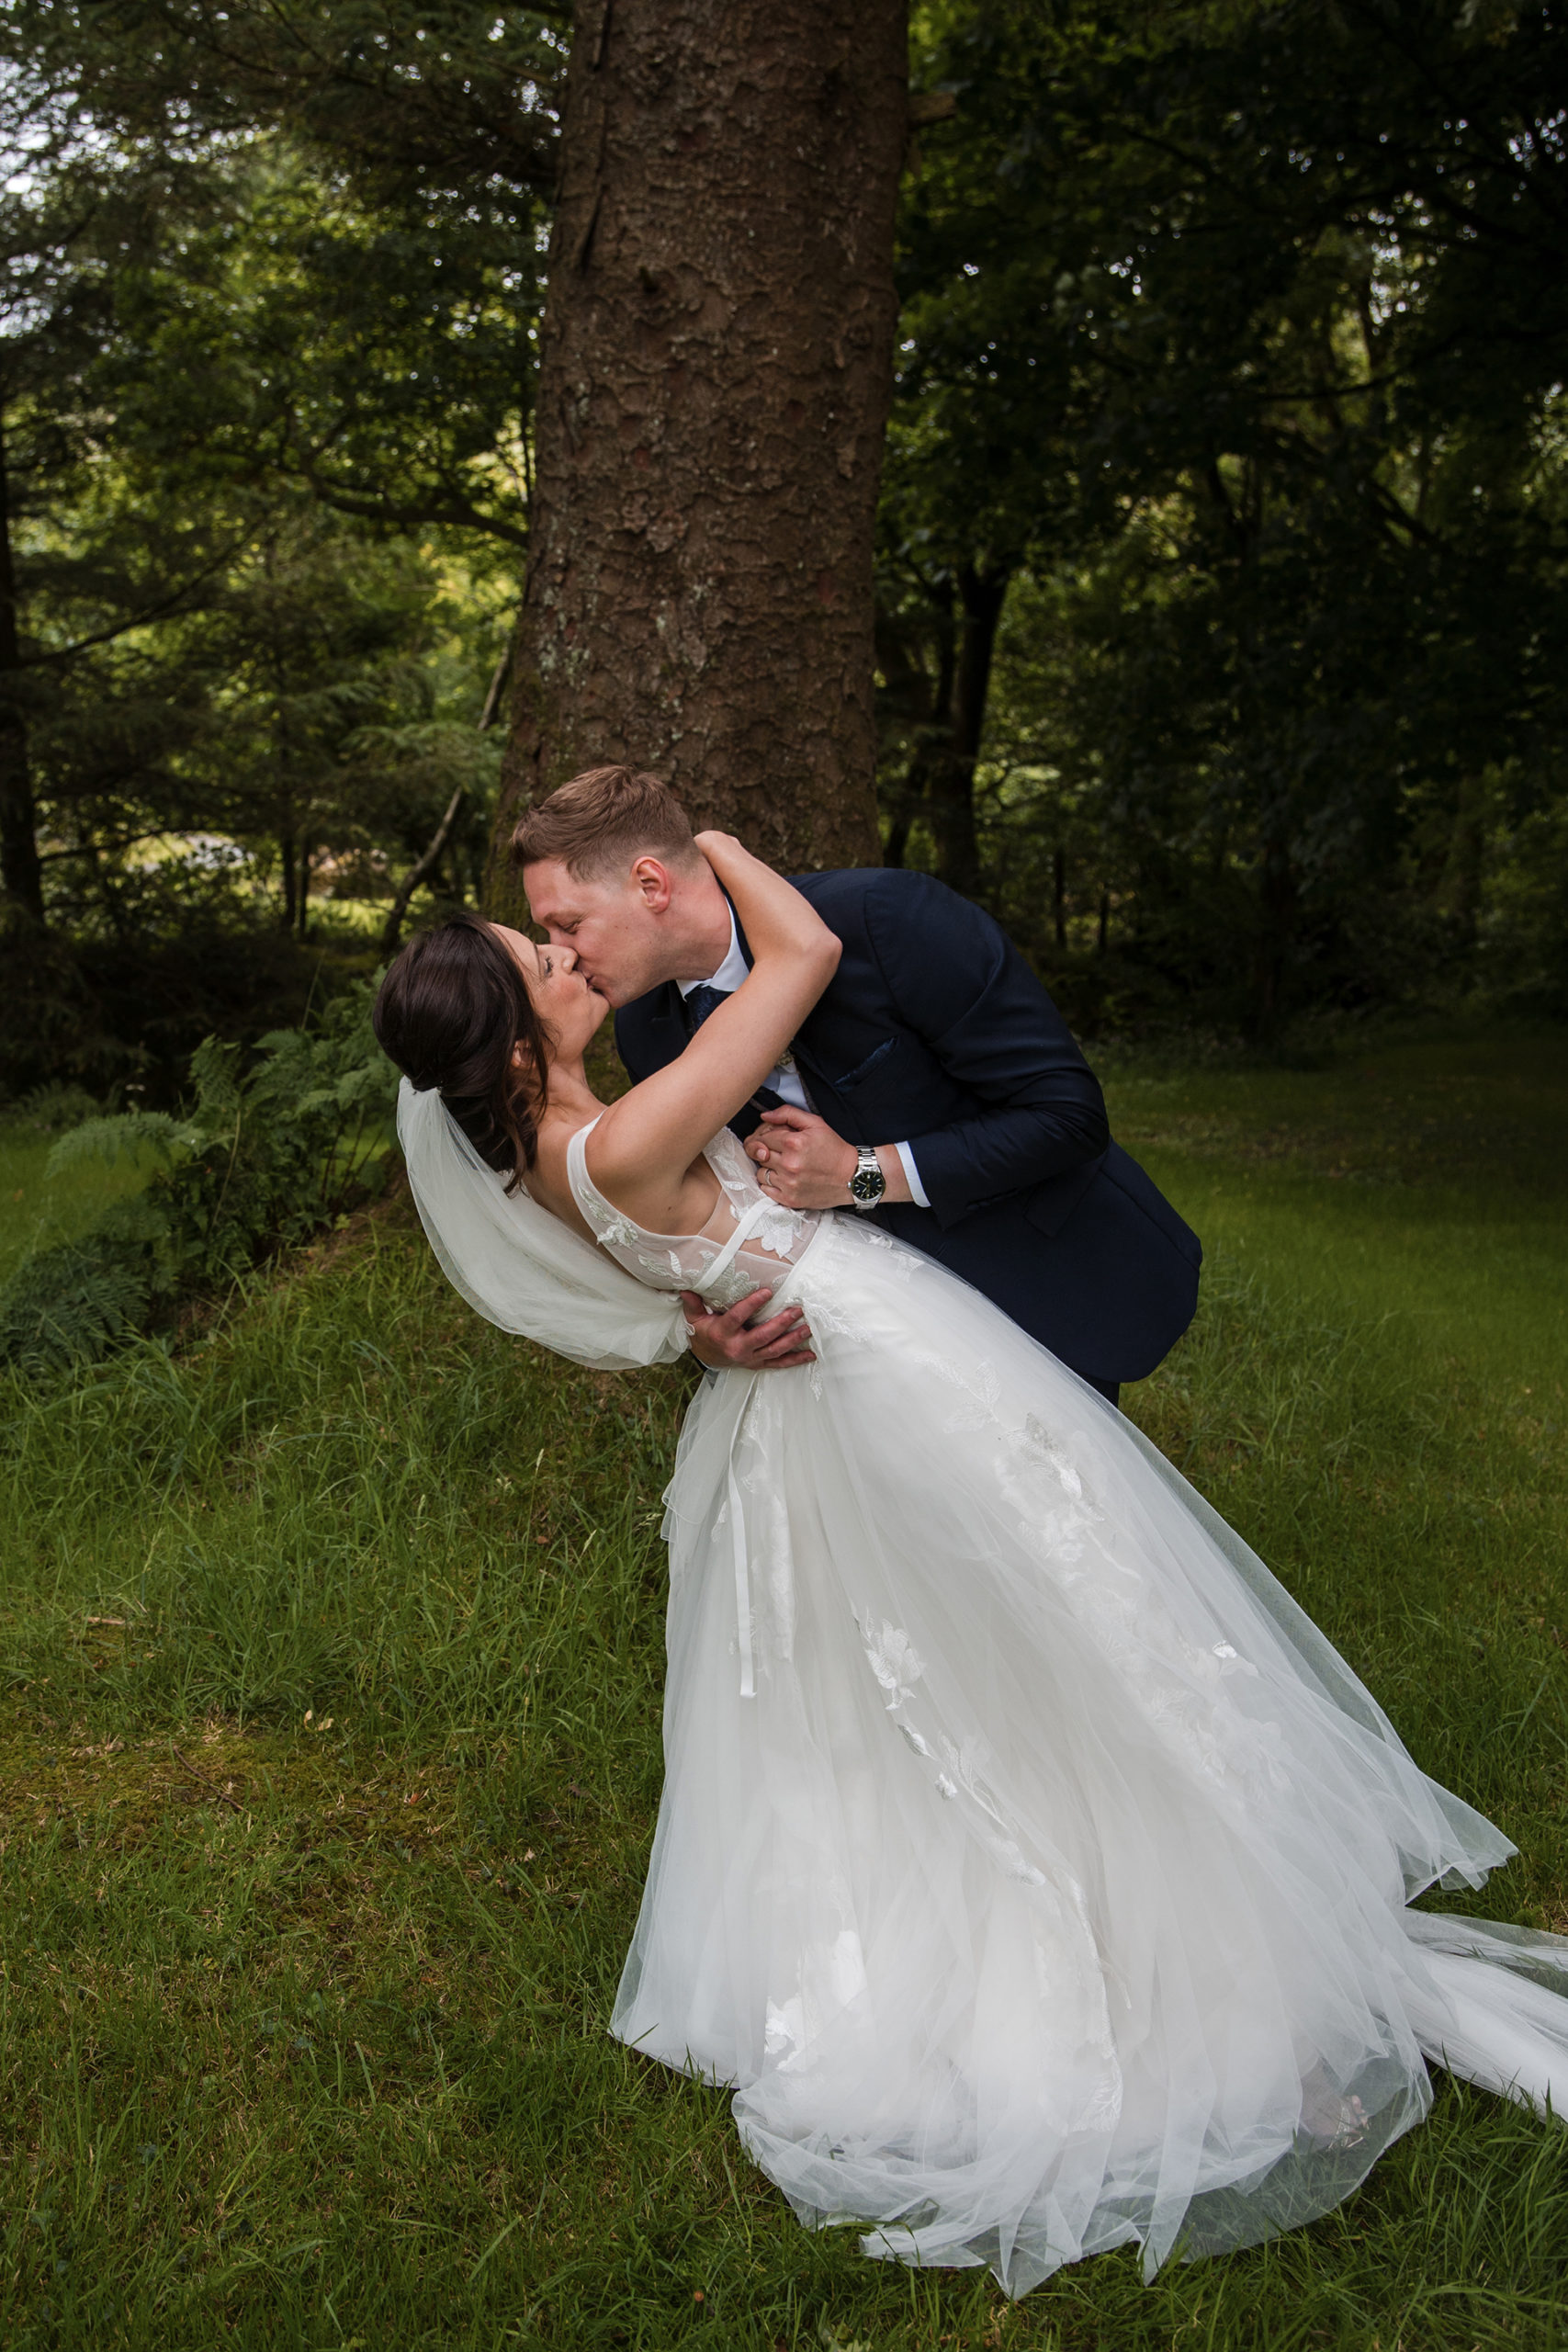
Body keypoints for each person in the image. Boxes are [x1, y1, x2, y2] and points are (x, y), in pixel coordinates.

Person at [374, 829, 1568, 2301]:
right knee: (1060, 1655)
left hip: (799, 1395)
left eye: (556, 933)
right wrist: (708, 841)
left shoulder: (566, 1154)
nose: (564, 954)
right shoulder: (616, 1136)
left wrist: (698, 1317)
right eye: (535, 958)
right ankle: (1186, 1968)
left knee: (899, 1701)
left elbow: (667, 1251)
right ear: (505, 1039)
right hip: (875, 1383)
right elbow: (799, 958)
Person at [512, 766, 1201, 1408]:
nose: (562, 951)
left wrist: (859, 1175)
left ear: (651, 884)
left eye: (568, 923)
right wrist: (708, 1339)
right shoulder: (648, 1033)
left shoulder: (886, 918)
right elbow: (708, 1212)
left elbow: (1067, 1116)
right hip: (871, 1351)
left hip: (1042, 1278)